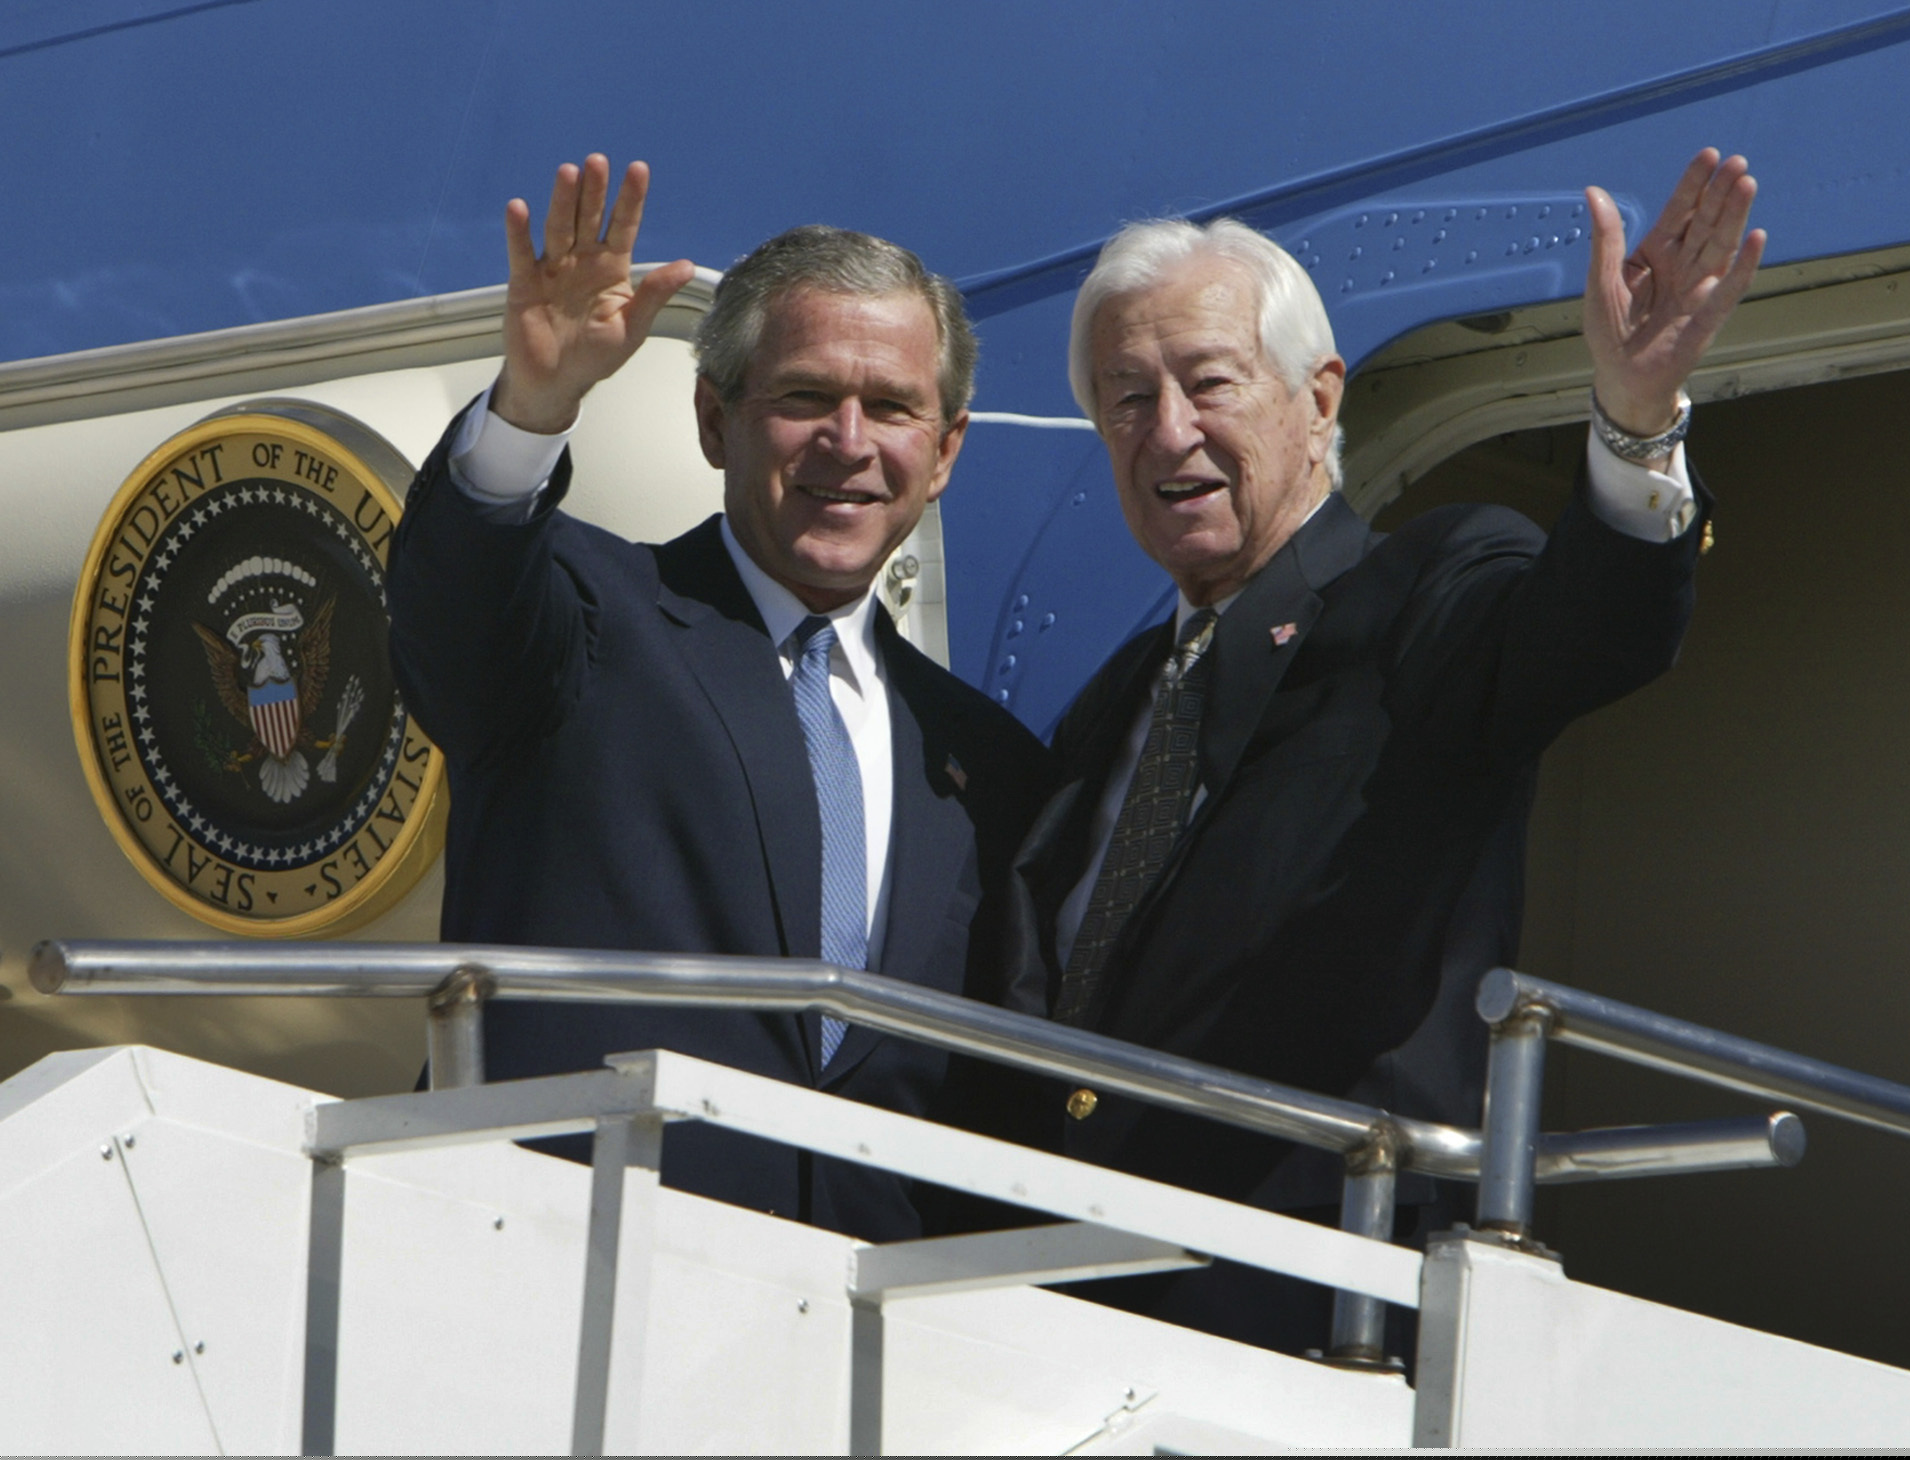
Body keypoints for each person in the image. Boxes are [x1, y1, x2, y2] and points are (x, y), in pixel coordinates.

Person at [995, 149, 1762, 1346]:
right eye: (1126, 399)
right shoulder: (1111, 707)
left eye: (1207, 381)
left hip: (1309, 1298)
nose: (1166, 431)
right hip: (1055, 1289)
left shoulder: (1428, 590)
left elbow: (1590, 628)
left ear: (1319, 398)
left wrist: (1631, 422)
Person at [386, 155, 1051, 1243]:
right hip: (554, 1273)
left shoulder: (989, 761)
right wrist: (531, 408)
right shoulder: (587, 616)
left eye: (890, 407)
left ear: (942, 454)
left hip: (866, 1339)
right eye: (802, 396)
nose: (848, 441)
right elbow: (450, 619)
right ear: (713, 419)